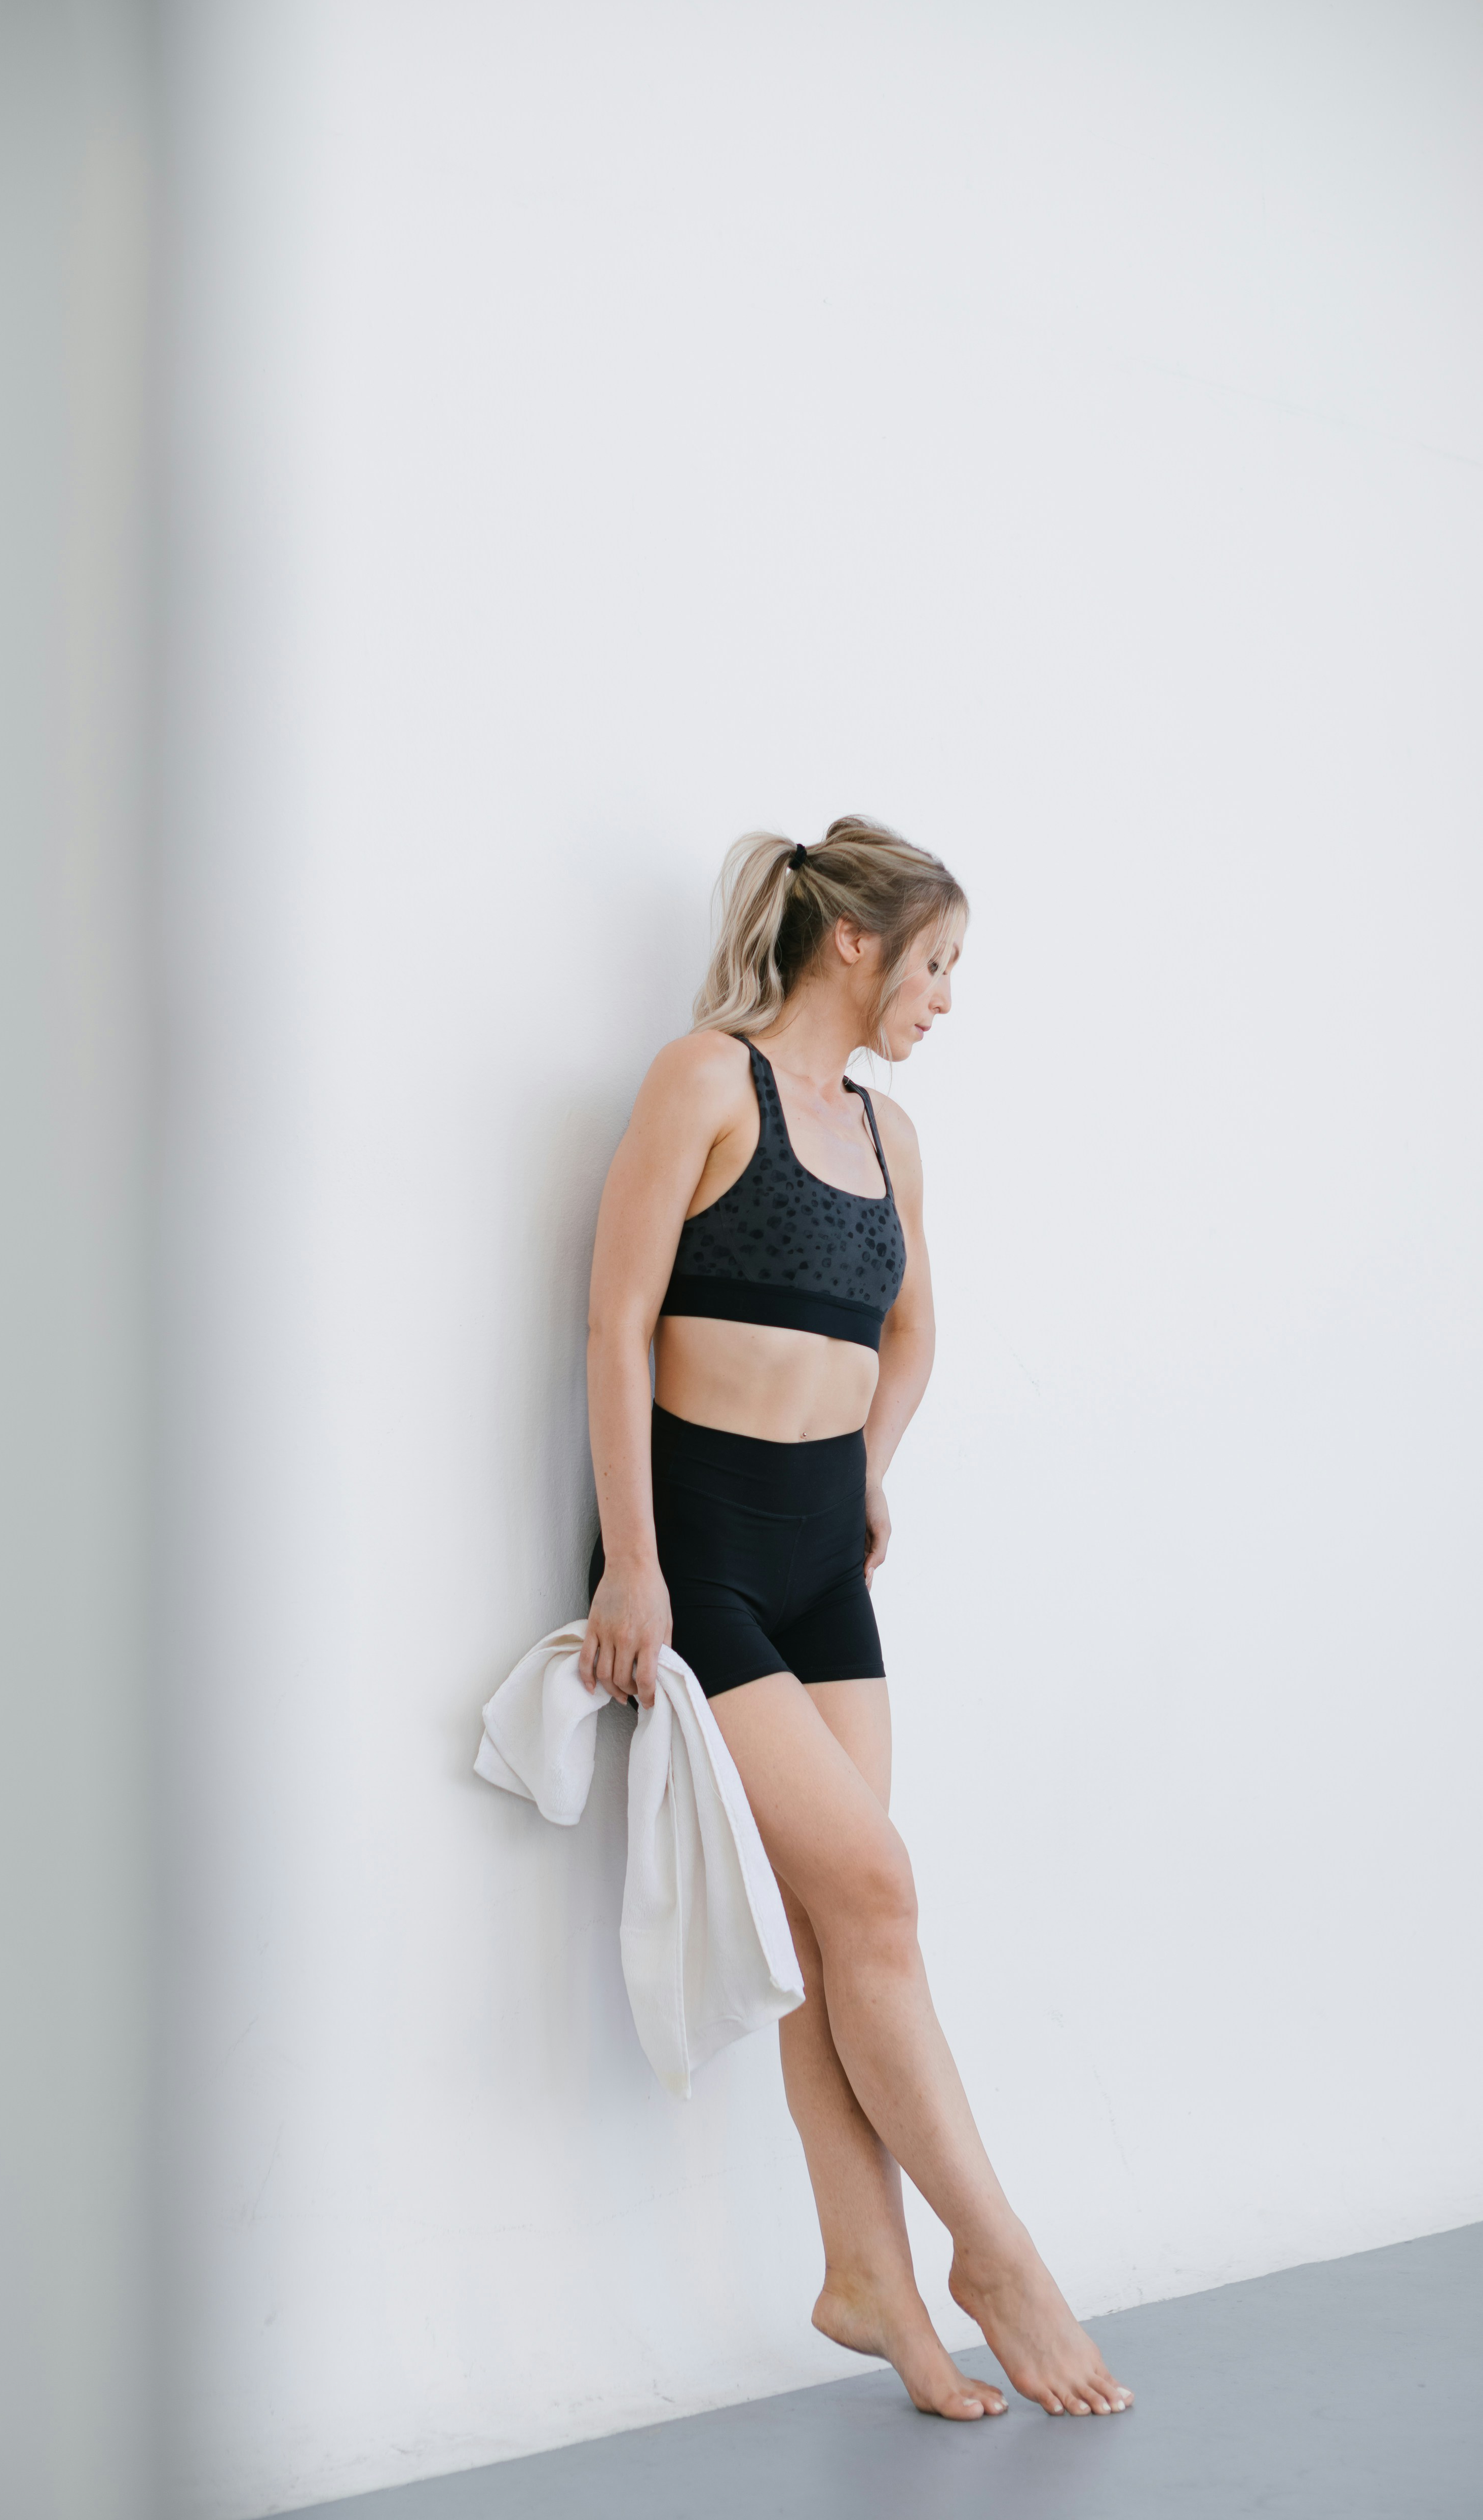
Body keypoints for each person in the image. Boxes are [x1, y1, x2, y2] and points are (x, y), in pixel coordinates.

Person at [578, 816, 1132, 2422]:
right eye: (940, 963)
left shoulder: (889, 1136)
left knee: (846, 1928)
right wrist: (631, 1560)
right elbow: (617, 1319)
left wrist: (875, 1467)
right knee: (878, 1891)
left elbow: (915, 1328)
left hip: (826, 1557)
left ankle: (864, 2279)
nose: (946, 999)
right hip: (705, 1560)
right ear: (856, 944)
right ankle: (995, 2251)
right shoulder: (706, 1081)